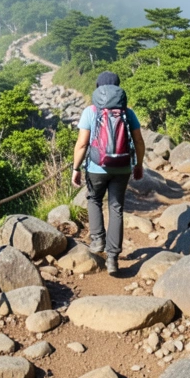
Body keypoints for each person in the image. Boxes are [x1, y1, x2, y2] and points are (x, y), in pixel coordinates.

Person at [71, 70, 146, 275]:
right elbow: (139, 141)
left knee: (94, 199)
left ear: (98, 88)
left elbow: (82, 144)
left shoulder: (91, 111)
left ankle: (97, 240)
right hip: (122, 166)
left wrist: (76, 168)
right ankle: (112, 259)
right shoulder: (127, 112)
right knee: (116, 208)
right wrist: (138, 164)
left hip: (96, 167)